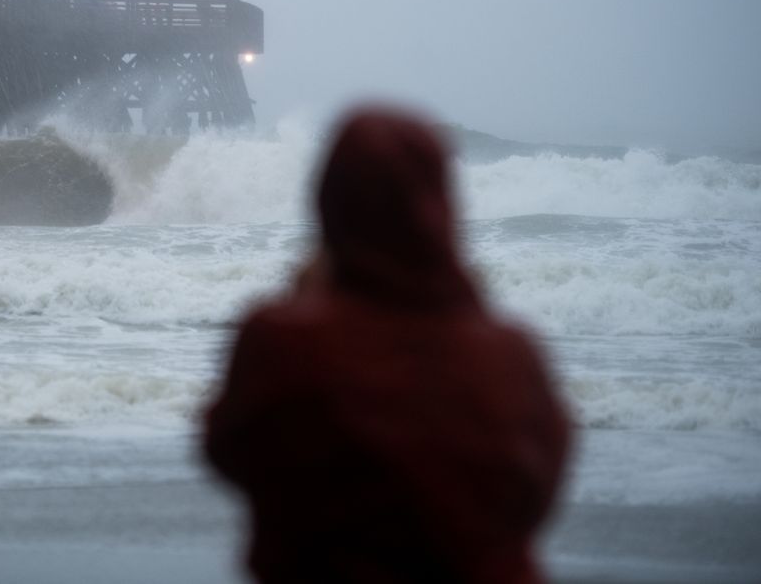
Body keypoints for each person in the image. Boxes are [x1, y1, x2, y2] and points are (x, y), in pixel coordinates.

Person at [204, 107, 571, 583]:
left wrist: (300, 301)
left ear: (329, 202)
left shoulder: (281, 340)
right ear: (439, 204)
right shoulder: (509, 354)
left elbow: (229, 449)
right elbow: (537, 491)